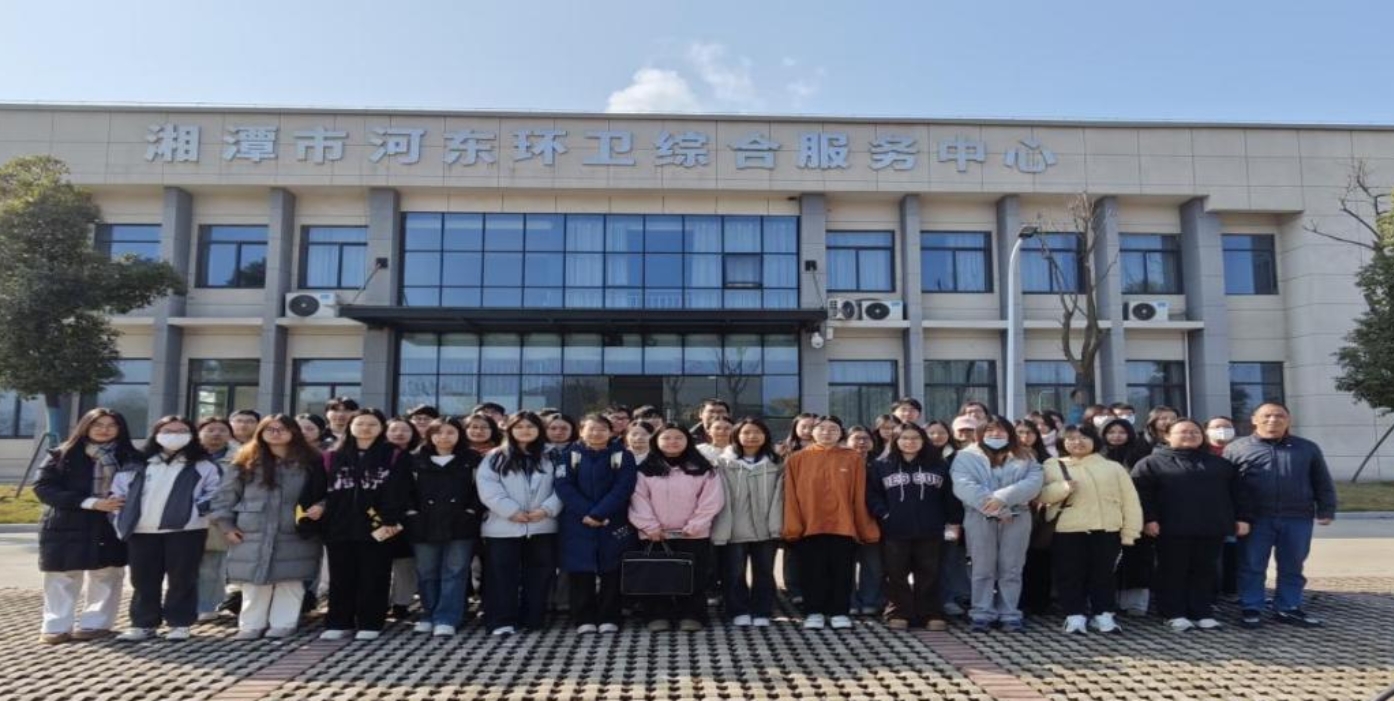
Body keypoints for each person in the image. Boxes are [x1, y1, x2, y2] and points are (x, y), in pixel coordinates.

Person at [211, 414, 327, 639]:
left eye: (282, 429)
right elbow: (225, 496)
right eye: (270, 429)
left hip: (296, 529)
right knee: (254, 581)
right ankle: (251, 625)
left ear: (293, 432)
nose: (276, 433)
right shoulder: (245, 459)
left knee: (291, 581)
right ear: (261, 433)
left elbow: (325, 491)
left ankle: (284, 623)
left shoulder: (311, 461)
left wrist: (322, 506)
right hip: (252, 529)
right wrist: (226, 525)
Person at [1131, 418, 1251, 632]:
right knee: (1172, 571)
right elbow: (1141, 495)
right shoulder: (1151, 463)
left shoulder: (1220, 464)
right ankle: (1173, 613)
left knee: (1205, 571)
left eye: (1194, 432)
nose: (1190, 435)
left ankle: (1202, 612)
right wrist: (1149, 519)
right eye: (1183, 432)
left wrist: (1242, 518)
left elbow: (1239, 493)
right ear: (1167, 436)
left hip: (1211, 527)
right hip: (1170, 528)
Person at [34, 408, 142, 644]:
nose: (104, 430)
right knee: (62, 575)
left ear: (120, 429)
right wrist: (91, 502)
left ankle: (96, 624)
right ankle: (56, 627)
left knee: (107, 573)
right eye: (98, 425)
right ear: (86, 427)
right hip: (67, 522)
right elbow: (43, 488)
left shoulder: (131, 457)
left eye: (111, 425)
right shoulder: (61, 454)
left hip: (111, 523)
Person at [1225, 402, 1337, 628]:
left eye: (1279, 416)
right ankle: (1251, 607)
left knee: (1292, 565)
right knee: (1251, 564)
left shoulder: (1307, 448)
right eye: (1266, 416)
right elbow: (1226, 486)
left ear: (1288, 420)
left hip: (1297, 517)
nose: (1273, 420)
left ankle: (1288, 607)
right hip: (1255, 519)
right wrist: (1234, 516)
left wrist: (1326, 509)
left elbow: (1322, 481)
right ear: (1254, 419)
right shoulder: (1237, 449)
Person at [111, 416, 222, 641]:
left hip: (187, 531)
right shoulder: (138, 462)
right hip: (142, 530)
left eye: (181, 431)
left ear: (191, 435)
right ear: (156, 434)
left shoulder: (204, 464)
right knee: (143, 580)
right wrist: (121, 517)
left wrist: (196, 510)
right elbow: (118, 492)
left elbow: (216, 493)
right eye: (168, 431)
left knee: (183, 578)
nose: (174, 435)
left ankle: (180, 623)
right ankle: (143, 623)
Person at [1039, 424, 1143, 635]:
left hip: (1106, 529)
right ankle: (1074, 615)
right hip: (1067, 530)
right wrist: (1062, 488)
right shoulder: (1051, 465)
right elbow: (1040, 496)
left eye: (1084, 437)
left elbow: (1130, 501)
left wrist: (1130, 531)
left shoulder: (1112, 467)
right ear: (1062, 442)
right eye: (1071, 438)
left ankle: (1103, 614)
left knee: (1104, 575)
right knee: (1070, 574)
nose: (1078, 442)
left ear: (1095, 440)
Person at [318, 408, 411, 641]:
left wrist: (389, 520)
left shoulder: (394, 455)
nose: (365, 428)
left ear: (381, 428)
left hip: (379, 525)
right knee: (341, 576)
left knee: (375, 575)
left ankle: (371, 622)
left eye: (372, 424)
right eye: (360, 424)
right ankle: (339, 622)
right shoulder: (332, 456)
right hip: (339, 525)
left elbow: (400, 491)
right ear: (350, 427)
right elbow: (319, 489)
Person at [782, 416, 880, 631]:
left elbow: (859, 495)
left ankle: (839, 612)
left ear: (841, 433)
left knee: (842, 571)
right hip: (809, 524)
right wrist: (793, 525)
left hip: (843, 525)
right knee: (812, 571)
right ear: (813, 432)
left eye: (833, 429)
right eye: (822, 429)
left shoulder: (852, 458)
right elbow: (790, 495)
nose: (827, 433)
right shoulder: (797, 459)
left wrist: (862, 526)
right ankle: (814, 612)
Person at [628, 423, 725, 632]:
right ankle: (657, 614)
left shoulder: (703, 469)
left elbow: (712, 500)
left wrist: (696, 525)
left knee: (694, 576)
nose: (672, 442)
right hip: (655, 534)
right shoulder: (644, 470)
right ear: (656, 442)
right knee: (656, 575)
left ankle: (691, 614)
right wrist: (649, 526)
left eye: (678, 438)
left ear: (688, 441)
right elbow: (638, 499)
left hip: (693, 534)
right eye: (666, 438)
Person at [951, 415, 1044, 632]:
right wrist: (998, 509)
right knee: (982, 567)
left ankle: (1009, 613)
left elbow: (1033, 483)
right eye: (990, 430)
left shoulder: (1025, 456)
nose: (995, 434)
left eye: (1001, 430)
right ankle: (981, 613)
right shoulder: (965, 456)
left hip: (1017, 516)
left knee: (1011, 568)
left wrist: (1003, 499)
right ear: (980, 433)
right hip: (979, 516)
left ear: (1009, 433)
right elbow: (963, 485)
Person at [866, 423, 962, 631]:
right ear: (896, 441)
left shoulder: (938, 465)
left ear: (923, 441)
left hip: (931, 529)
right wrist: (884, 513)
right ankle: (898, 612)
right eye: (905, 438)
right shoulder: (881, 465)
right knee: (896, 572)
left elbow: (950, 496)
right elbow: (872, 494)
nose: (910, 442)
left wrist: (953, 521)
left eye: (915, 438)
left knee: (929, 572)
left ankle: (930, 612)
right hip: (894, 529)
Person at [476, 411, 562, 636]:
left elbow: (564, 486)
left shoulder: (553, 455)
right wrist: (511, 511)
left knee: (539, 574)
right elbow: (488, 488)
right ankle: (502, 620)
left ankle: (533, 618)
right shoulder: (495, 456)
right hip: (503, 526)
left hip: (543, 525)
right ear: (510, 430)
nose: (525, 431)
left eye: (530, 427)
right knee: (502, 575)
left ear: (539, 430)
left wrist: (546, 509)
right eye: (520, 427)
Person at [555, 414, 637, 635]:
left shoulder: (623, 455)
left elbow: (624, 487)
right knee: (581, 571)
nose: (596, 433)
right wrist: (587, 513)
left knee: (612, 570)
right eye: (591, 429)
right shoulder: (568, 455)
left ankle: (610, 616)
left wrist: (600, 513)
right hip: (578, 522)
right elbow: (564, 487)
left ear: (611, 432)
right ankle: (583, 617)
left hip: (613, 520)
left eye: (602, 429)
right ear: (581, 431)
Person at [405, 417, 483, 637]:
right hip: (424, 523)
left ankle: (447, 617)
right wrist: (412, 513)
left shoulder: (471, 459)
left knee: (455, 571)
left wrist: (471, 512)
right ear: (429, 435)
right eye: (438, 432)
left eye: (450, 432)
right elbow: (404, 489)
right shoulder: (415, 459)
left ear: (460, 435)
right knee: (427, 571)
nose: (444, 437)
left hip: (460, 523)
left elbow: (480, 490)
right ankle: (429, 613)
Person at [712, 418, 784, 628]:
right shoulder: (723, 463)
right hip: (734, 527)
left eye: (757, 432)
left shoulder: (776, 463)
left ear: (765, 436)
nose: (752, 436)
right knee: (734, 572)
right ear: (736, 436)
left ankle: (762, 610)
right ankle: (738, 610)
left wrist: (776, 524)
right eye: (746, 432)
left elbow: (780, 497)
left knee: (764, 571)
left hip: (766, 526)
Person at [1099, 416, 1154, 617]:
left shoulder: (1142, 455)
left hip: (1135, 513)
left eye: (1121, 432)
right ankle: (1106, 602)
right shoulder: (1096, 457)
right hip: (1104, 515)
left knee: (1136, 559)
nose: (1116, 436)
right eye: (1111, 432)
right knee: (1106, 560)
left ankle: (1134, 603)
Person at [195, 417, 235, 623]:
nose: (216, 434)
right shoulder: (188, 457)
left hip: (220, 518)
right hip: (186, 516)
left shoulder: (239, 458)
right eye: (210, 430)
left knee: (212, 564)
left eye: (222, 430)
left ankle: (207, 606)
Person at [843, 425, 884, 617]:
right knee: (845, 565)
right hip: (845, 520)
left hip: (872, 520)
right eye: (856, 438)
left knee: (873, 564)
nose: (861, 442)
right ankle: (849, 601)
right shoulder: (840, 464)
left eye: (865, 438)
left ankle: (870, 601)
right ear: (846, 442)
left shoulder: (879, 464)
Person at [382, 418, 420, 620]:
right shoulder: (378, 456)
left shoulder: (417, 457)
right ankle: (379, 602)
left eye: (405, 430)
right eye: (394, 429)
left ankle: (401, 603)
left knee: (405, 563)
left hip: (408, 518)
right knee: (379, 562)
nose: (399, 434)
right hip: (379, 517)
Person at [1204, 415, 1241, 596]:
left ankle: (1232, 589)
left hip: (1235, 511)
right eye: (1217, 427)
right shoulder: (1202, 452)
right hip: (1211, 513)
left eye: (1227, 427)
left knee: (1233, 554)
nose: (1222, 430)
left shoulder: (1241, 450)